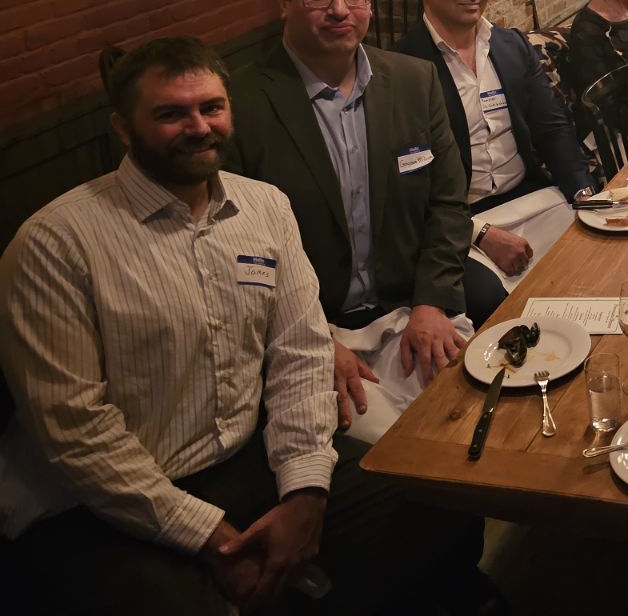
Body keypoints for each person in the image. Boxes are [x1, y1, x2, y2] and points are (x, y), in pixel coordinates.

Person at [0, 37, 489, 614]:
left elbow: (301, 356)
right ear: (123, 128)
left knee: (440, 505)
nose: (198, 127)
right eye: (170, 113)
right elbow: (74, 431)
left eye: (211, 107)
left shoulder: (265, 207)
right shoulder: (55, 243)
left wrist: (305, 491)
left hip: (245, 459)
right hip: (98, 502)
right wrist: (212, 538)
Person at [228, 0, 473, 444]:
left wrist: (431, 302)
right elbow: (237, 254)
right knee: (398, 451)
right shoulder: (240, 104)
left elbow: (448, 202)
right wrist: (311, 340)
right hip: (315, 328)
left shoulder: (413, 80)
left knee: (470, 420)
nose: (340, 9)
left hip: (409, 308)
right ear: (283, 3)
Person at [395, 0, 597, 328]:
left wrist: (584, 193)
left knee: (592, 258)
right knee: (494, 303)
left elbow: (553, 128)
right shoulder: (403, 66)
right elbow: (410, 183)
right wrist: (480, 233)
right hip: (461, 220)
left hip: (529, 195)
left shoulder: (510, 44)